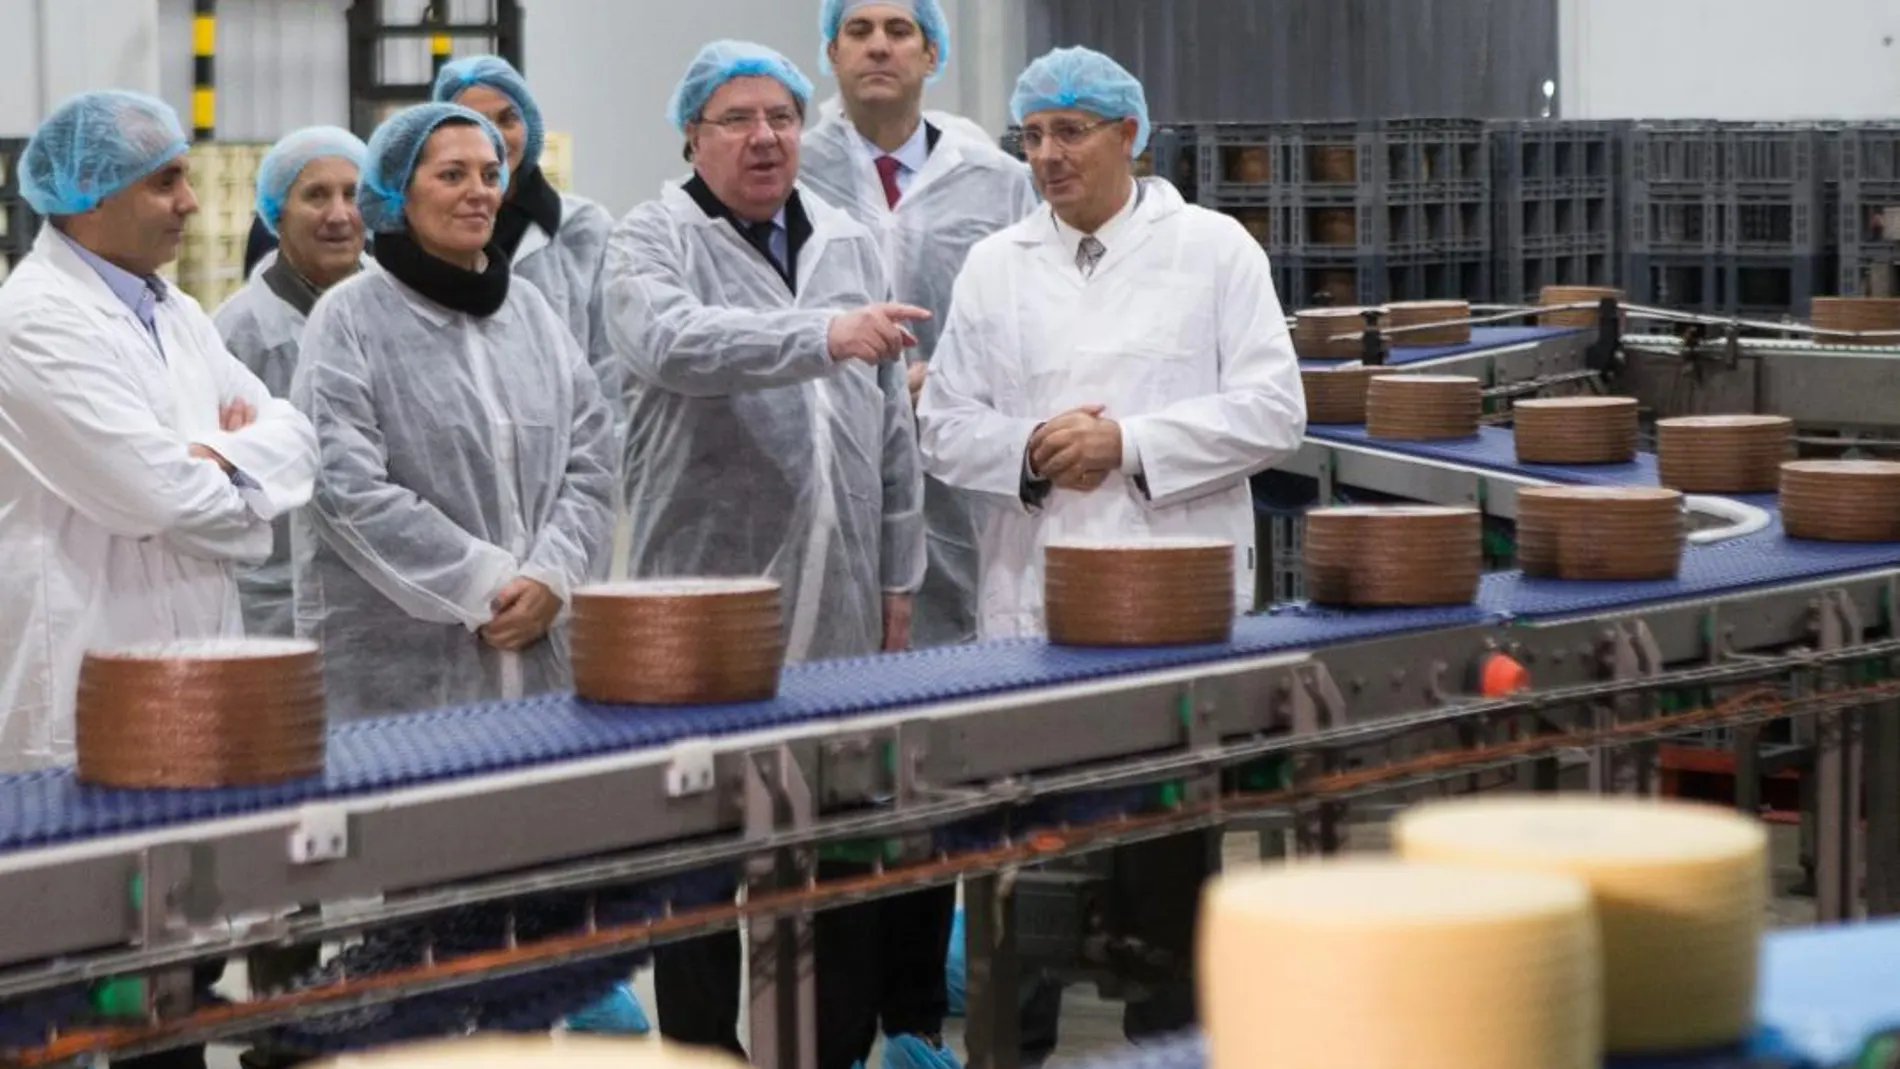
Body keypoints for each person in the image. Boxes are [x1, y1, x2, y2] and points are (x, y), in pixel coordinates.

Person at [915, 47, 1307, 1043]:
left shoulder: (1215, 251)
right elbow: (943, 425)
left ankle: (1168, 1045)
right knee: (1021, 871)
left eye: (1069, 132)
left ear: (1128, 135)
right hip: (1028, 610)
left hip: (1168, 614)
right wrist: (1034, 452)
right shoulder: (995, 265)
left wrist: (1128, 444)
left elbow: (1275, 410)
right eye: (1033, 135)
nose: (1047, 155)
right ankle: (1015, 1045)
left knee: (1165, 865)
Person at [600, 40, 927, 1069]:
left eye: (782, 117)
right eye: (736, 119)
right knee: (699, 861)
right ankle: (701, 1052)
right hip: (701, 613)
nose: (764, 137)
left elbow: (889, 430)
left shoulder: (840, 238)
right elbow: (674, 344)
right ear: (692, 136)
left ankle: (825, 1053)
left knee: (830, 855)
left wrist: (899, 571)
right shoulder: (648, 239)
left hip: (837, 608)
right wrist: (822, 334)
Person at [0, 91, 318, 775]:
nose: (191, 202)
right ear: (91, 197)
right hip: (86, 685)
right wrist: (244, 479)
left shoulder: (176, 312)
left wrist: (213, 457)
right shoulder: (34, 323)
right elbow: (160, 497)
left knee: (213, 872)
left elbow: (296, 436)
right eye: (165, 182)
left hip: (203, 668)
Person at [289, 103, 615, 721]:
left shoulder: (533, 314)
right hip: (400, 673)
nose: (478, 194)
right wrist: (484, 587)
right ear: (396, 192)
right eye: (452, 176)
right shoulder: (351, 318)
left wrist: (552, 576)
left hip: (545, 648)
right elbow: (342, 486)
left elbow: (592, 456)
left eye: (491, 176)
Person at [805, 0, 1038, 650]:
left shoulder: (997, 181)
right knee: (825, 635)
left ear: (931, 54)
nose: (879, 46)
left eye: (899, 31)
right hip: (827, 443)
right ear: (832, 52)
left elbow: (1028, 313)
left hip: (957, 453)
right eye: (859, 30)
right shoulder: (791, 171)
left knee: (953, 637)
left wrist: (951, 377)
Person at [213, 125, 369, 637]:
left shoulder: (400, 316)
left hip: (388, 594)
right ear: (275, 211)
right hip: (275, 602)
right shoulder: (235, 334)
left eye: (353, 194)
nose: (339, 214)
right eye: (316, 195)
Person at [432, 55, 619, 412]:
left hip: (573, 446)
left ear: (529, 125)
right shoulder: (428, 233)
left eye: (507, 119)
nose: (495, 136)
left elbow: (609, 364)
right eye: (474, 121)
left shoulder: (585, 228)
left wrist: (600, 458)